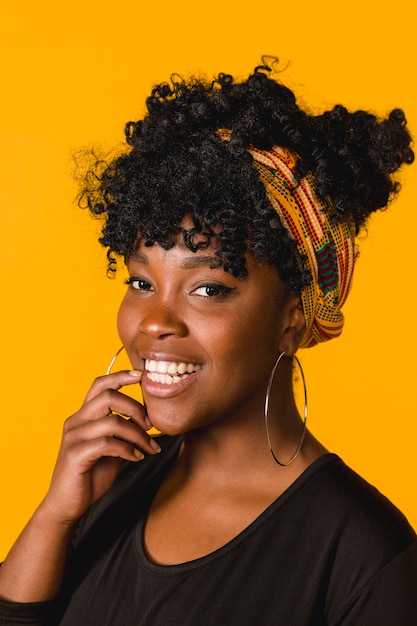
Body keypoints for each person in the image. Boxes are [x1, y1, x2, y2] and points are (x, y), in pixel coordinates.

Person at [0, 60, 416, 625]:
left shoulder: (367, 557)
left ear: (293, 318)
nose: (154, 322)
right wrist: (56, 515)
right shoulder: (113, 483)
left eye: (207, 287)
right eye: (142, 282)